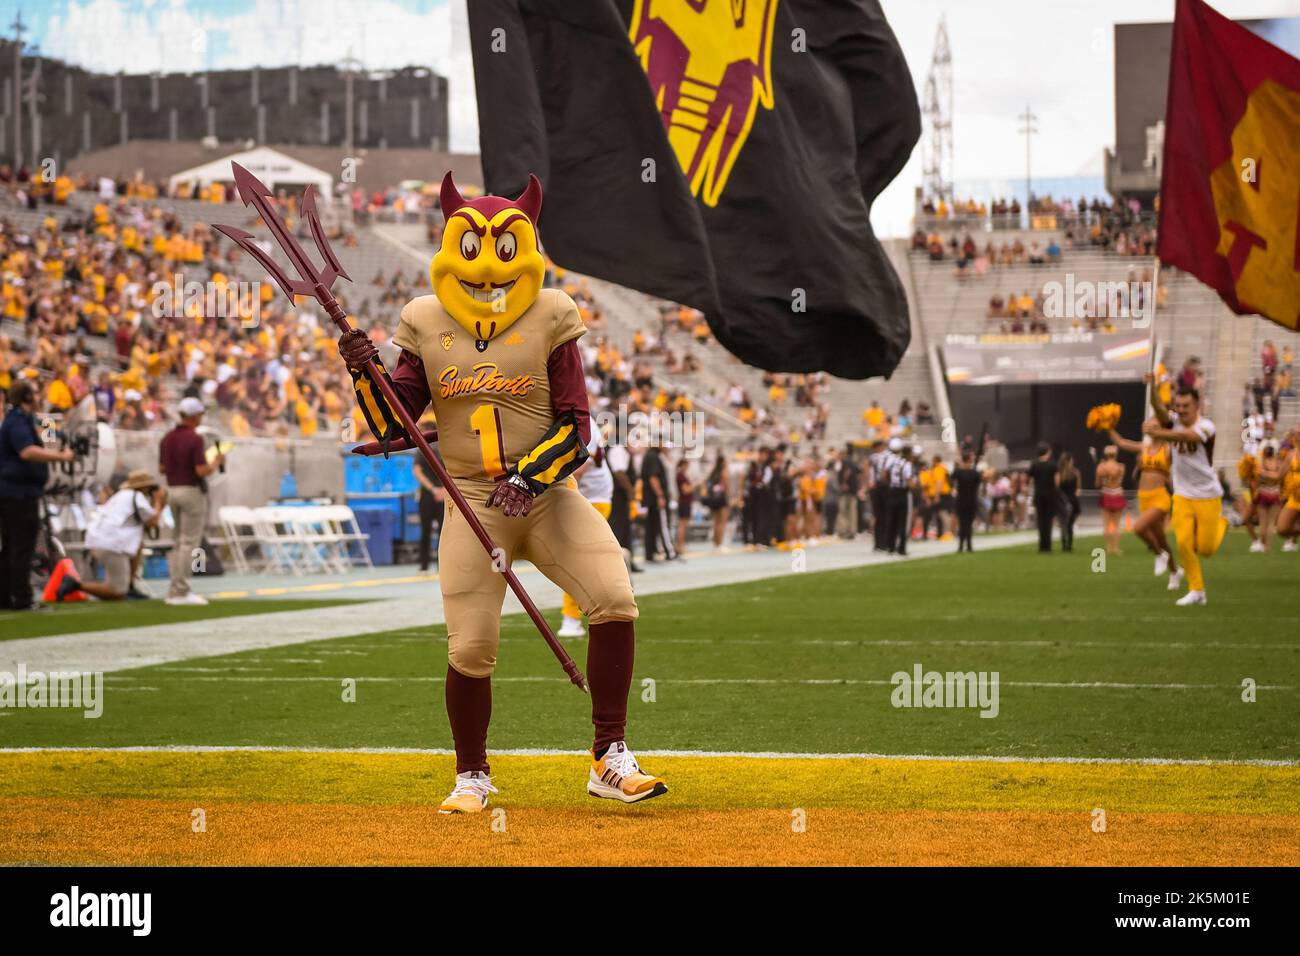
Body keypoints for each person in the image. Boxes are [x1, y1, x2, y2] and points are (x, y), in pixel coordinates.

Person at [336, 173, 665, 812]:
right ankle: (471, 775)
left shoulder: (552, 310)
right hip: (471, 497)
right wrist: (363, 372)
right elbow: (392, 421)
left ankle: (609, 755)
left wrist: (527, 478)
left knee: (614, 598)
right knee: (472, 645)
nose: (488, 273)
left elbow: (576, 427)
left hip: (544, 492)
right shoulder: (424, 318)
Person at [1147, 385, 1226, 606]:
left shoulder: (1206, 426)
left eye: (1186, 406)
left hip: (1207, 494)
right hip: (1182, 493)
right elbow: (1158, 408)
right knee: (1182, 543)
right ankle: (1197, 590)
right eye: (1178, 405)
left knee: (1207, 550)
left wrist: (1158, 433)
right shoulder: (1172, 421)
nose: (1181, 410)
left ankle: (1223, 524)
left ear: (1197, 405)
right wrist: (1152, 386)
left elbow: (1189, 437)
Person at [0, 380, 75, 611]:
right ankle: (22, 598)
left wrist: (52, 438)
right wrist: (62, 458)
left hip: (15, 492)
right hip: (19, 494)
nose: (39, 397)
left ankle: (6, 597)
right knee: (22, 546)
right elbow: (27, 451)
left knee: (12, 546)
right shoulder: (17, 422)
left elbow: (46, 438)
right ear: (27, 398)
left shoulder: (25, 420)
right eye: (34, 393)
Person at [56, 470, 165, 602]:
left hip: (100, 541)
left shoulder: (122, 495)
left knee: (138, 545)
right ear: (144, 487)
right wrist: (159, 502)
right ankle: (75, 584)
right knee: (118, 591)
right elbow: (153, 522)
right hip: (112, 545)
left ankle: (130, 586)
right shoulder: (137, 497)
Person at [158, 396, 224, 606]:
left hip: (172, 490)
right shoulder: (195, 439)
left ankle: (174, 589)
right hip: (191, 492)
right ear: (195, 415)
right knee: (189, 542)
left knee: (178, 541)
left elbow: (161, 468)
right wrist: (216, 462)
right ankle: (182, 590)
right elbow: (201, 470)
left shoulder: (167, 438)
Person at [558, 426, 616, 639]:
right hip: (586, 497)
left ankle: (571, 618)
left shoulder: (585, 424)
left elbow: (577, 470)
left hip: (593, 499)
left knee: (577, 560)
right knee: (585, 560)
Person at [1109, 424, 1181, 588]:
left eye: (1154, 424)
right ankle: (1175, 572)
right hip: (1144, 497)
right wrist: (1108, 428)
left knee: (1139, 528)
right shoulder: (1145, 447)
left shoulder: (1168, 448)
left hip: (1160, 497)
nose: (1149, 426)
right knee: (1162, 540)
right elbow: (1121, 442)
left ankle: (1159, 555)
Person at [640, 440, 676, 562]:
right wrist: (660, 495)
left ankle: (650, 553)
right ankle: (669, 552)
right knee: (663, 525)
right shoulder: (653, 457)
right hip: (655, 499)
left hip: (651, 499)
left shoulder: (651, 456)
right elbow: (653, 477)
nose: (666, 447)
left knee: (652, 526)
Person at [1251, 443, 1285, 553]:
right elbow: (1278, 476)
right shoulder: (1278, 462)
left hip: (1263, 493)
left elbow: (1258, 475)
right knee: (1271, 523)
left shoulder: (1261, 462)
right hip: (1274, 493)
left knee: (1263, 522)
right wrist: (1273, 474)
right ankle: (1268, 547)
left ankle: (1263, 545)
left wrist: (1265, 473)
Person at [414, 452, 445, 572]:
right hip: (440, 493)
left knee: (427, 531)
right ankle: (439, 565)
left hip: (430, 493)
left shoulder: (422, 446)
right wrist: (442, 490)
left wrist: (433, 489)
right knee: (442, 531)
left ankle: (424, 565)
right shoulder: (445, 445)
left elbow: (417, 471)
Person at [1095, 445, 1126, 555]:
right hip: (1117, 494)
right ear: (1116, 454)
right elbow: (1120, 480)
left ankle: (1108, 547)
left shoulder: (1101, 467)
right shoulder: (1121, 467)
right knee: (1117, 525)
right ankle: (1116, 548)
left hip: (1106, 494)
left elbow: (1097, 484)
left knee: (1106, 524)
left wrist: (1103, 475)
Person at [1028, 442, 1058, 552]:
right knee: (1048, 520)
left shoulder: (1034, 464)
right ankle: (1048, 546)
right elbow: (1057, 481)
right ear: (1048, 452)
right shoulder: (1053, 465)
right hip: (1050, 495)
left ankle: (1041, 546)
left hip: (1039, 495)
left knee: (1040, 520)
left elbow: (1030, 481)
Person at [952, 450, 980, 552]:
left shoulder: (958, 472)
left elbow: (951, 478)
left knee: (962, 524)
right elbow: (978, 486)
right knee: (968, 524)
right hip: (972, 501)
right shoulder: (975, 473)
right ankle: (968, 545)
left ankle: (961, 545)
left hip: (961, 500)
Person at [702, 453, 730, 548]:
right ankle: (720, 543)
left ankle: (715, 542)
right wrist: (728, 497)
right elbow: (726, 486)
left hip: (714, 500)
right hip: (721, 499)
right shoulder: (723, 472)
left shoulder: (713, 472)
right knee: (722, 522)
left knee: (716, 521)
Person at [1057, 452, 1081, 553]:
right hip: (1073, 500)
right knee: (1070, 524)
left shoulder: (1059, 474)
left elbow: (1057, 488)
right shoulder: (1076, 473)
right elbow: (1078, 489)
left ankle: (1063, 544)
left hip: (1062, 501)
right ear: (1070, 461)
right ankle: (1069, 545)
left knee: (1063, 524)